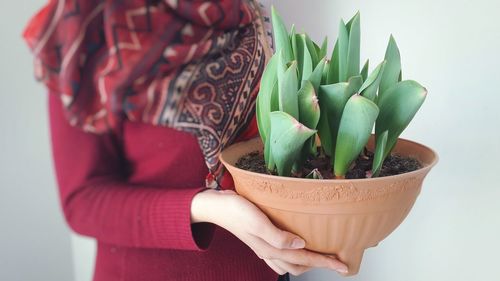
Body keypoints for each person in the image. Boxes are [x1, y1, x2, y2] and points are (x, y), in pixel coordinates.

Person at [24, 0, 348, 280]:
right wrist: (206, 208)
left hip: (266, 269)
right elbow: (83, 201)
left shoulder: (245, 14)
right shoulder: (85, 27)